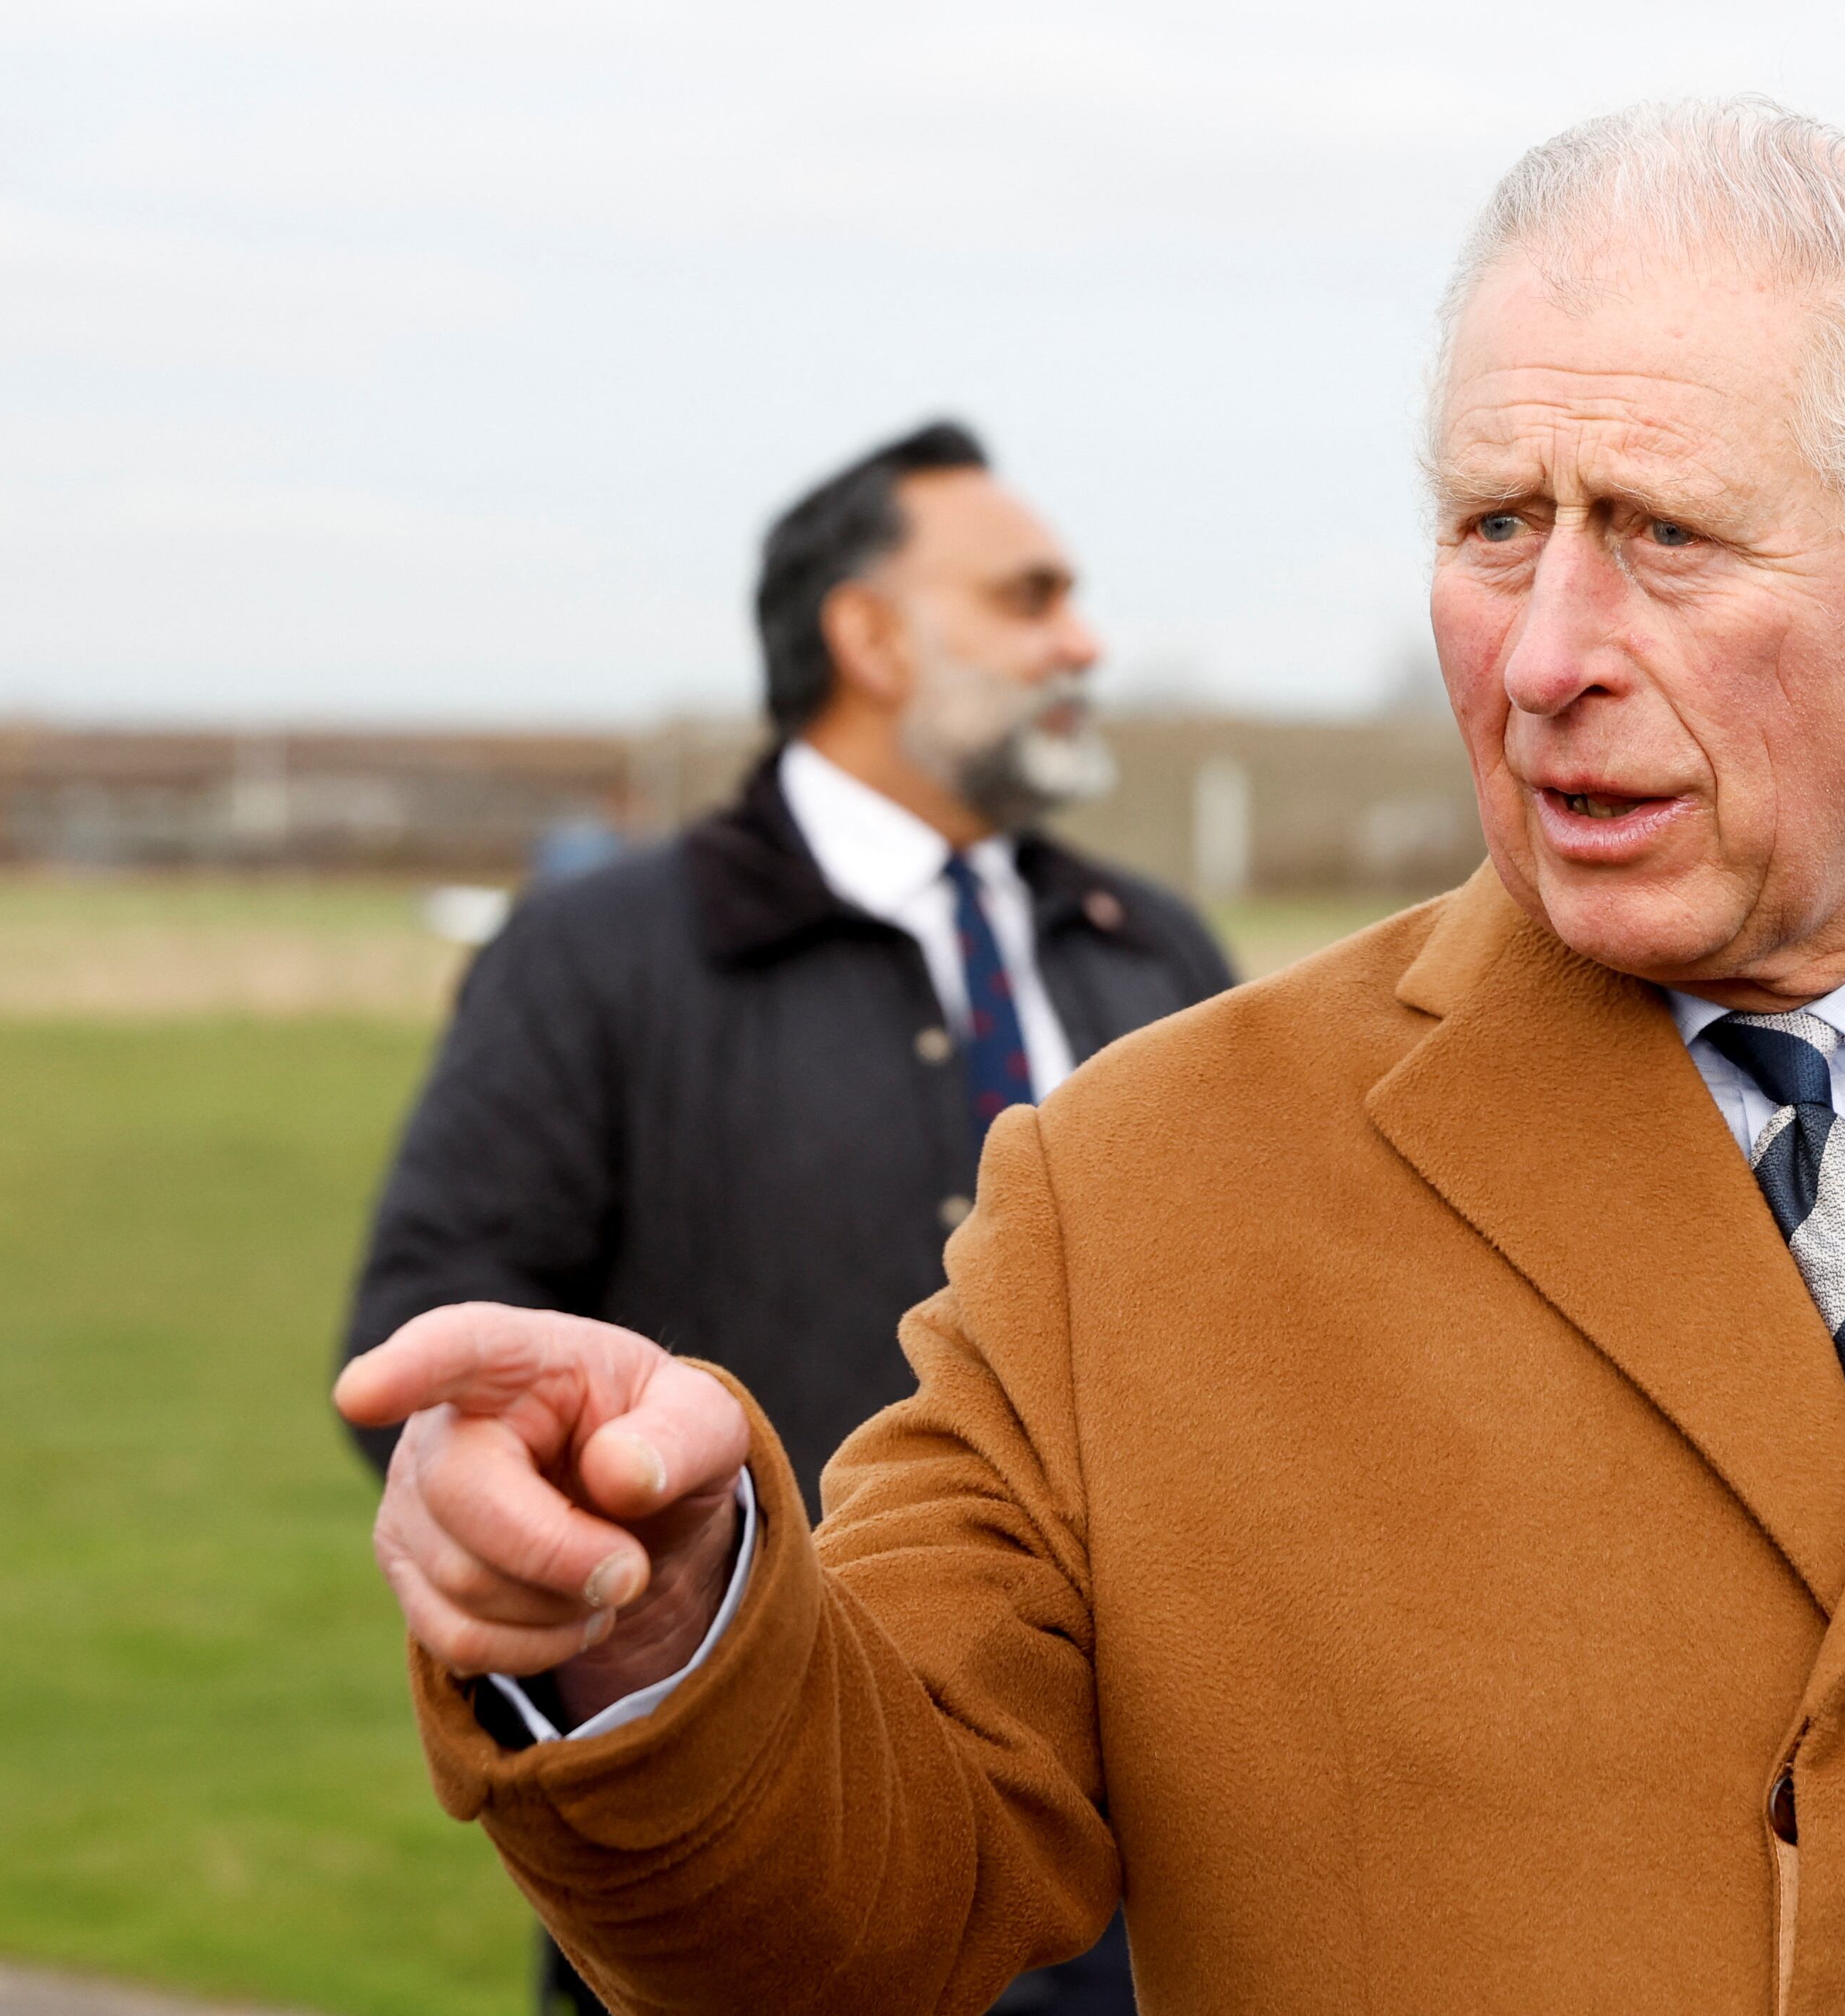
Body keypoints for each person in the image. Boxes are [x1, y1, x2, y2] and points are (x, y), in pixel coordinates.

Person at [335, 103, 1845, 2012]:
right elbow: (862, 1916)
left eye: (1667, 535)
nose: (1545, 647)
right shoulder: (1137, 1190)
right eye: (1499, 522)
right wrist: (664, 1632)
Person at [337, 420, 1224, 2015]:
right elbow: (434, 1329)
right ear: (868, 637)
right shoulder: (596, 955)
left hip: (1148, 1886)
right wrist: (571, 1528)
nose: (1082, 641)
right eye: (1029, 598)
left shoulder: (1152, 953)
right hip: (758, 1863)